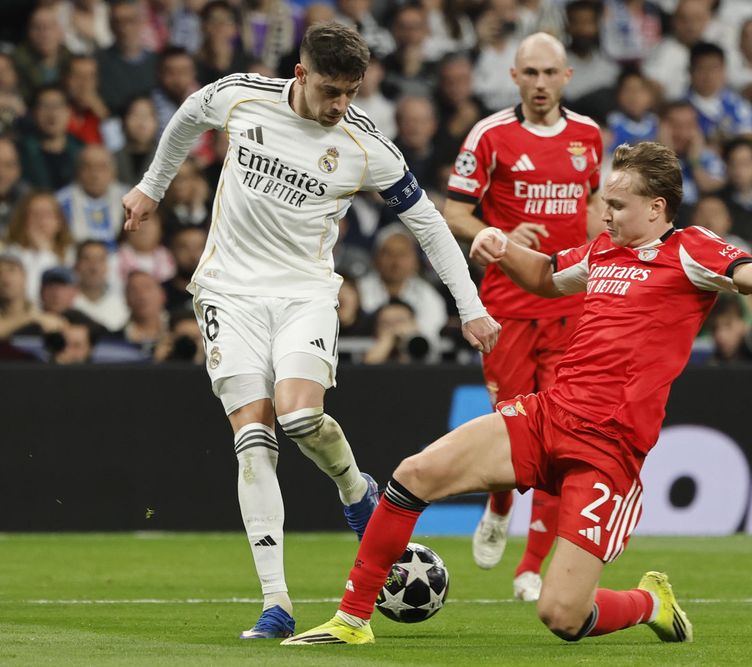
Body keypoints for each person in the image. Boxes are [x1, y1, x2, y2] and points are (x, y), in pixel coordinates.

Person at [283, 141, 752, 647]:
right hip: (548, 417)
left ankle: (649, 603)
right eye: (604, 203)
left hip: (606, 451)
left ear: (656, 207)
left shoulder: (691, 250)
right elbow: (542, 278)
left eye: (616, 205)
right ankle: (352, 618)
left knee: (561, 615)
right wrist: (500, 245)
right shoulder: (600, 252)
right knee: (414, 473)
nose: (604, 214)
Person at [121, 22, 499, 639]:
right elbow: (189, 114)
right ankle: (277, 604)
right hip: (227, 291)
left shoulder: (364, 143)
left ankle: (356, 489)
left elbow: (429, 224)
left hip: (305, 293)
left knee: (299, 419)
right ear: (301, 75)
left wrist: (470, 305)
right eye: (330, 90)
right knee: (253, 439)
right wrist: (151, 186)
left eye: (351, 91)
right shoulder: (242, 96)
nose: (340, 105)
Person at [444, 32, 602, 601]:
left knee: (564, 438)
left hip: (569, 307)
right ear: (514, 76)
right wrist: (499, 234)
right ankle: (501, 500)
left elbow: (588, 210)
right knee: (514, 431)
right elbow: (453, 210)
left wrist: (606, 262)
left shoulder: (588, 136)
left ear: (566, 77)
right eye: (529, 73)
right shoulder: (490, 136)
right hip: (507, 307)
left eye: (549, 73)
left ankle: (531, 566)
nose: (539, 84)